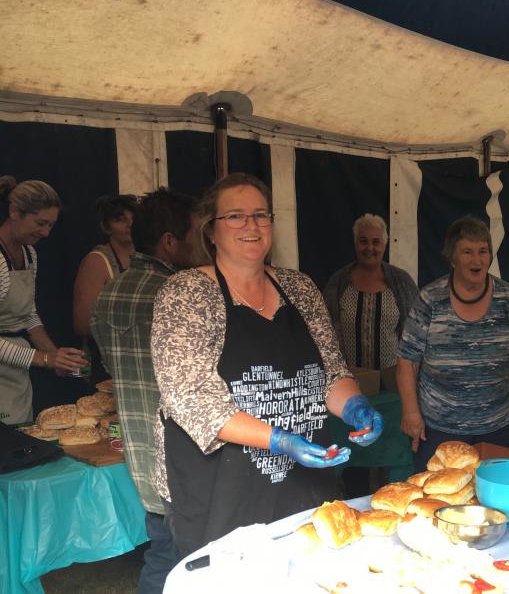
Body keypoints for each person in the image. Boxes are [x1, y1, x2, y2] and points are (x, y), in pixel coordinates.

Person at [150, 173, 383, 556]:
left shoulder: (300, 288)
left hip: (303, 477)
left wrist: (356, 406)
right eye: (236, 216)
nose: (252, 226)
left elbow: (330, 373)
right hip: (219, 483)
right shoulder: (187, 293)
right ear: (211, 231)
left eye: (261, 215)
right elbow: (192, 400)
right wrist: (279, 439)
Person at [90, 188, 197, 594]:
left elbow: (110, 365)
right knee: (200, 560)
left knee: (162, 553)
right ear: (170, 242)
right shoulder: (183, 295)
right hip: (190, 460)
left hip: (142, 457)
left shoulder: (109, 294)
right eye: (195, 235)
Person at [396, 216, 509, 472]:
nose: (477, 260)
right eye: (467, 251)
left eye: (483, 251)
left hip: (501, 428)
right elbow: (407, 360)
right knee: (439, 503)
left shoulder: (508, 299)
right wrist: (411, 413)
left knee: (496, 504)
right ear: (452, 257)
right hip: (439, 430)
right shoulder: (430, 299)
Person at [0, 177, 86, 424]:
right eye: (40, 223)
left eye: (51, 225)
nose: (46, 233)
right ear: (15, 212)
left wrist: (55, 355)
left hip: (15, 374)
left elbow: (28, 315)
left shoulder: (29, 254)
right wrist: (43, 359)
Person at [324, 213, 419, 371]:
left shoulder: (401, 281)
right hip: (350, 380)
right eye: (363, 241)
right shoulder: (338, 282)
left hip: (392, 382)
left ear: (384, 245)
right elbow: (324, 331)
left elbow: (417, 331)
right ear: (355, 244)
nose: (369, 248)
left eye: (376, 242)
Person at [73, 194, 138, 339]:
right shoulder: (96, 261)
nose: (130, 224)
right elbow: (83, 324)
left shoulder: (146, 257)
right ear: (105, 227)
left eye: (133, 218)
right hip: (106, 352)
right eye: (120, 220)